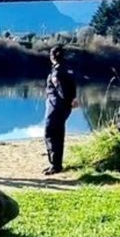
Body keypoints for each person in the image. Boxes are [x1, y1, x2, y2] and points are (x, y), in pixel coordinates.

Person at [43, 45, 79, 175]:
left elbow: (60, 88)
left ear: (52, 57)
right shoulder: (69, 68)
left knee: (51, 133)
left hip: (56, 106)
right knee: (59, 134)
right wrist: (72, 100)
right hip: (64, 107)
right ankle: (57, 163)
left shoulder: (57, 71)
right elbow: (72, 85)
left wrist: (65, 101)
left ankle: (55, 165)